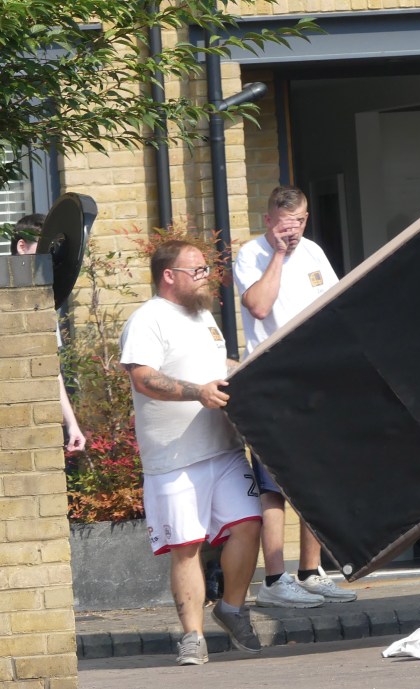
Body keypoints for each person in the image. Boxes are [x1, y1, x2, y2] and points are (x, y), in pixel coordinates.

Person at [120, 239, 264, 665]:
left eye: (205, 269)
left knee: (249, 524)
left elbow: (216, 370)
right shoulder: (148, 319)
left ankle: (232, 608)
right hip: (173, 458)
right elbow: (144, 378)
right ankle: (192, 638)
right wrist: (196, 393)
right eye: (196, 270)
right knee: (187, 546)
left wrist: (252, 371)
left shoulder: (203, 316)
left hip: (223, 448)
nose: (205, 276)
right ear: (170, 276)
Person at [234, 185, 357, 607]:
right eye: (287, 224)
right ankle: (274, 579)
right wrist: (280, 255)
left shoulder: (314, 251)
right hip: (272, 381)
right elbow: (259, 307)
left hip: (314, 378)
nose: (296, 231)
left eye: (302, 222)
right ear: (269, 220)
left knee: (315, 477)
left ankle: (310, 571)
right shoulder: (252, 255)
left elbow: (334, 304)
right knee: (275, 484)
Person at [12, 213, 86, 452]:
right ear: (22, 247)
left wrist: (71, 424)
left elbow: (50, 371)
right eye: (44, 249)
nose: (51, 258)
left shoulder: (42, 303)